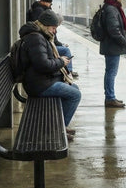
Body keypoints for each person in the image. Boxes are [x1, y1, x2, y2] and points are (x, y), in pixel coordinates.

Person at [19, 9, 81, 139]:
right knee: (75, 95)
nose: (54, 31)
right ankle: (58, 130)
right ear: (45, 25)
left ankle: (60, 126)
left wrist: (59, 62)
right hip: (38, 85)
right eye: (53, 28)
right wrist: (61, 62)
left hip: (40, 80)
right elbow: (43, 65)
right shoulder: (36, 38)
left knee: (74, 88)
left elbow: (43, 62)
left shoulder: (38, 35)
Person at [26, 0, 79, 78]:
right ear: (44, 2)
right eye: (49, 3)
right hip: (45, 44)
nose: (50, 5)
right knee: (66, 51)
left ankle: (67, 71)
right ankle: (69, 71)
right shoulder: (39, 11)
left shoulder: (40, 10)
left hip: (45, 43)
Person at [99, 0, 126, 108]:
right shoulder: (111, 9)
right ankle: (110, 98)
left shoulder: (109, 8)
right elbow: (113, 29)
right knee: (111, 72)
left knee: (110, 72)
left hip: (110, 46)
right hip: (112, 46)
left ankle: (110, 96)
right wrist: (123, 41)